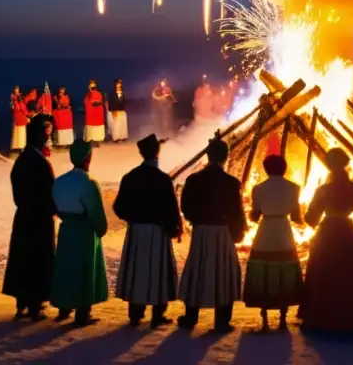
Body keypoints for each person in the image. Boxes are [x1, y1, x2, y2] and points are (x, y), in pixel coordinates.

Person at [300, 147, 353, 332]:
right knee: (350, 271)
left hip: (328, 231)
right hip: (348, 231)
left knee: (324, 271)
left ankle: (322, 316)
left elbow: (311, 218)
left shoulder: (323, 190)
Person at [114, 133, 182, 328]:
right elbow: (171, 208)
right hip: (158, 232)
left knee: (138, 270)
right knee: (159, 271)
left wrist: (134, 219)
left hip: (137, 231)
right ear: (157, 153)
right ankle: (157, 314)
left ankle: (135, 313)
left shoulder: (130, 177)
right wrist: (174, 228)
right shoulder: (163, 179)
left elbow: (119, 207)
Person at [178, 139, 247, 331]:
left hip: (201, 231)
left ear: (208, 156)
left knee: (197, 269)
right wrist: (237, 233)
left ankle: (191, 317)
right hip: (222, 232)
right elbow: (237, 212)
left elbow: (185, 207)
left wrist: (197, 222)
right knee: (224, 272)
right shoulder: (232, 183)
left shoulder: (193, 180)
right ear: (226, 157)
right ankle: (222, 321)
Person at [2, 114, 56, 322]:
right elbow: (49, 192)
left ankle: (22, 301)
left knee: (23, 257)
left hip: (24, 216)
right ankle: (35, 303)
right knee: (37, 259)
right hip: (39, 220)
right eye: (47, 134)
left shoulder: (22, 160)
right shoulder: (40, 163)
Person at [51, 139, 109, 325]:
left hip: (67, 229)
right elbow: (96, 212)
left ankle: (64, 306)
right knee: (85, 271)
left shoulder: (60, 181)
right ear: (87, 158)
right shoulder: (89, 182)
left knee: (66, 268)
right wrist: (100, 229)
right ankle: (83, 312)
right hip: (84, 231)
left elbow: (55, 207)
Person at [243, 154, 303, 332]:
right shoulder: (294, 188)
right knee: (284, 271)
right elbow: (296, 216)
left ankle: (265, 319)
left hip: (265, 230)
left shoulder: (258, 189)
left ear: (266, 169)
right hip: (283, 231)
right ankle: (283, 318)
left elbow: (254, 215)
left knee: (264, 272)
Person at [83, 80, 106, 145]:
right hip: (90, 113)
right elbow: (86, 102)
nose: (92, 86)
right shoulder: (88, 95)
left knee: (97, 127)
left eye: (93, 84)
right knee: (91, 127)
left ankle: (97, 140)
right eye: (91, 84)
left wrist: (96, 102)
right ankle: (91, 140)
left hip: (97, 112)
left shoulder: (99, 93)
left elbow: (100, 101)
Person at [107, 78, 129, 143]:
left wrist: (124, 108)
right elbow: (111, 102)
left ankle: (122, 137)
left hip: (122, 111)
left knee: (122, 125)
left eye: (120, 84)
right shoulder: (112, 94)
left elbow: (125, 102)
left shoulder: (123, 93)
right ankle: (115, 138)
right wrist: (113, 110)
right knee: (116, 125)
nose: (118, 85)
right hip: (115, 111)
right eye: (117, 84)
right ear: (115, 85)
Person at [10, 85, 30, 154]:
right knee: (17, 132)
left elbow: (22, 107)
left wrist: (27, 115)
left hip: (21, 117)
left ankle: (21, 147)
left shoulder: (21, 97)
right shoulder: (13, 98)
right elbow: (16, 107)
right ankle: (17, 147)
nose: (16, 90)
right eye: (15, 89)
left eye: (17, 89)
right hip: (17, 117)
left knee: (21, 132)